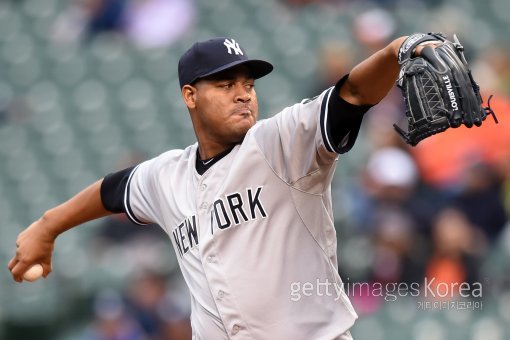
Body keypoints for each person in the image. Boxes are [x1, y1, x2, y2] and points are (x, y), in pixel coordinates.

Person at [9, 35, 438, 339]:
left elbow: (353, 94)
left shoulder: (282, 142)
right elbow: (112, 190)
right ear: (190, 96)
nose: (243, 95)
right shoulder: (166, 176)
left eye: (248, 85)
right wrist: (48, 226)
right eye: (226, 84)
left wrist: (394, 51)